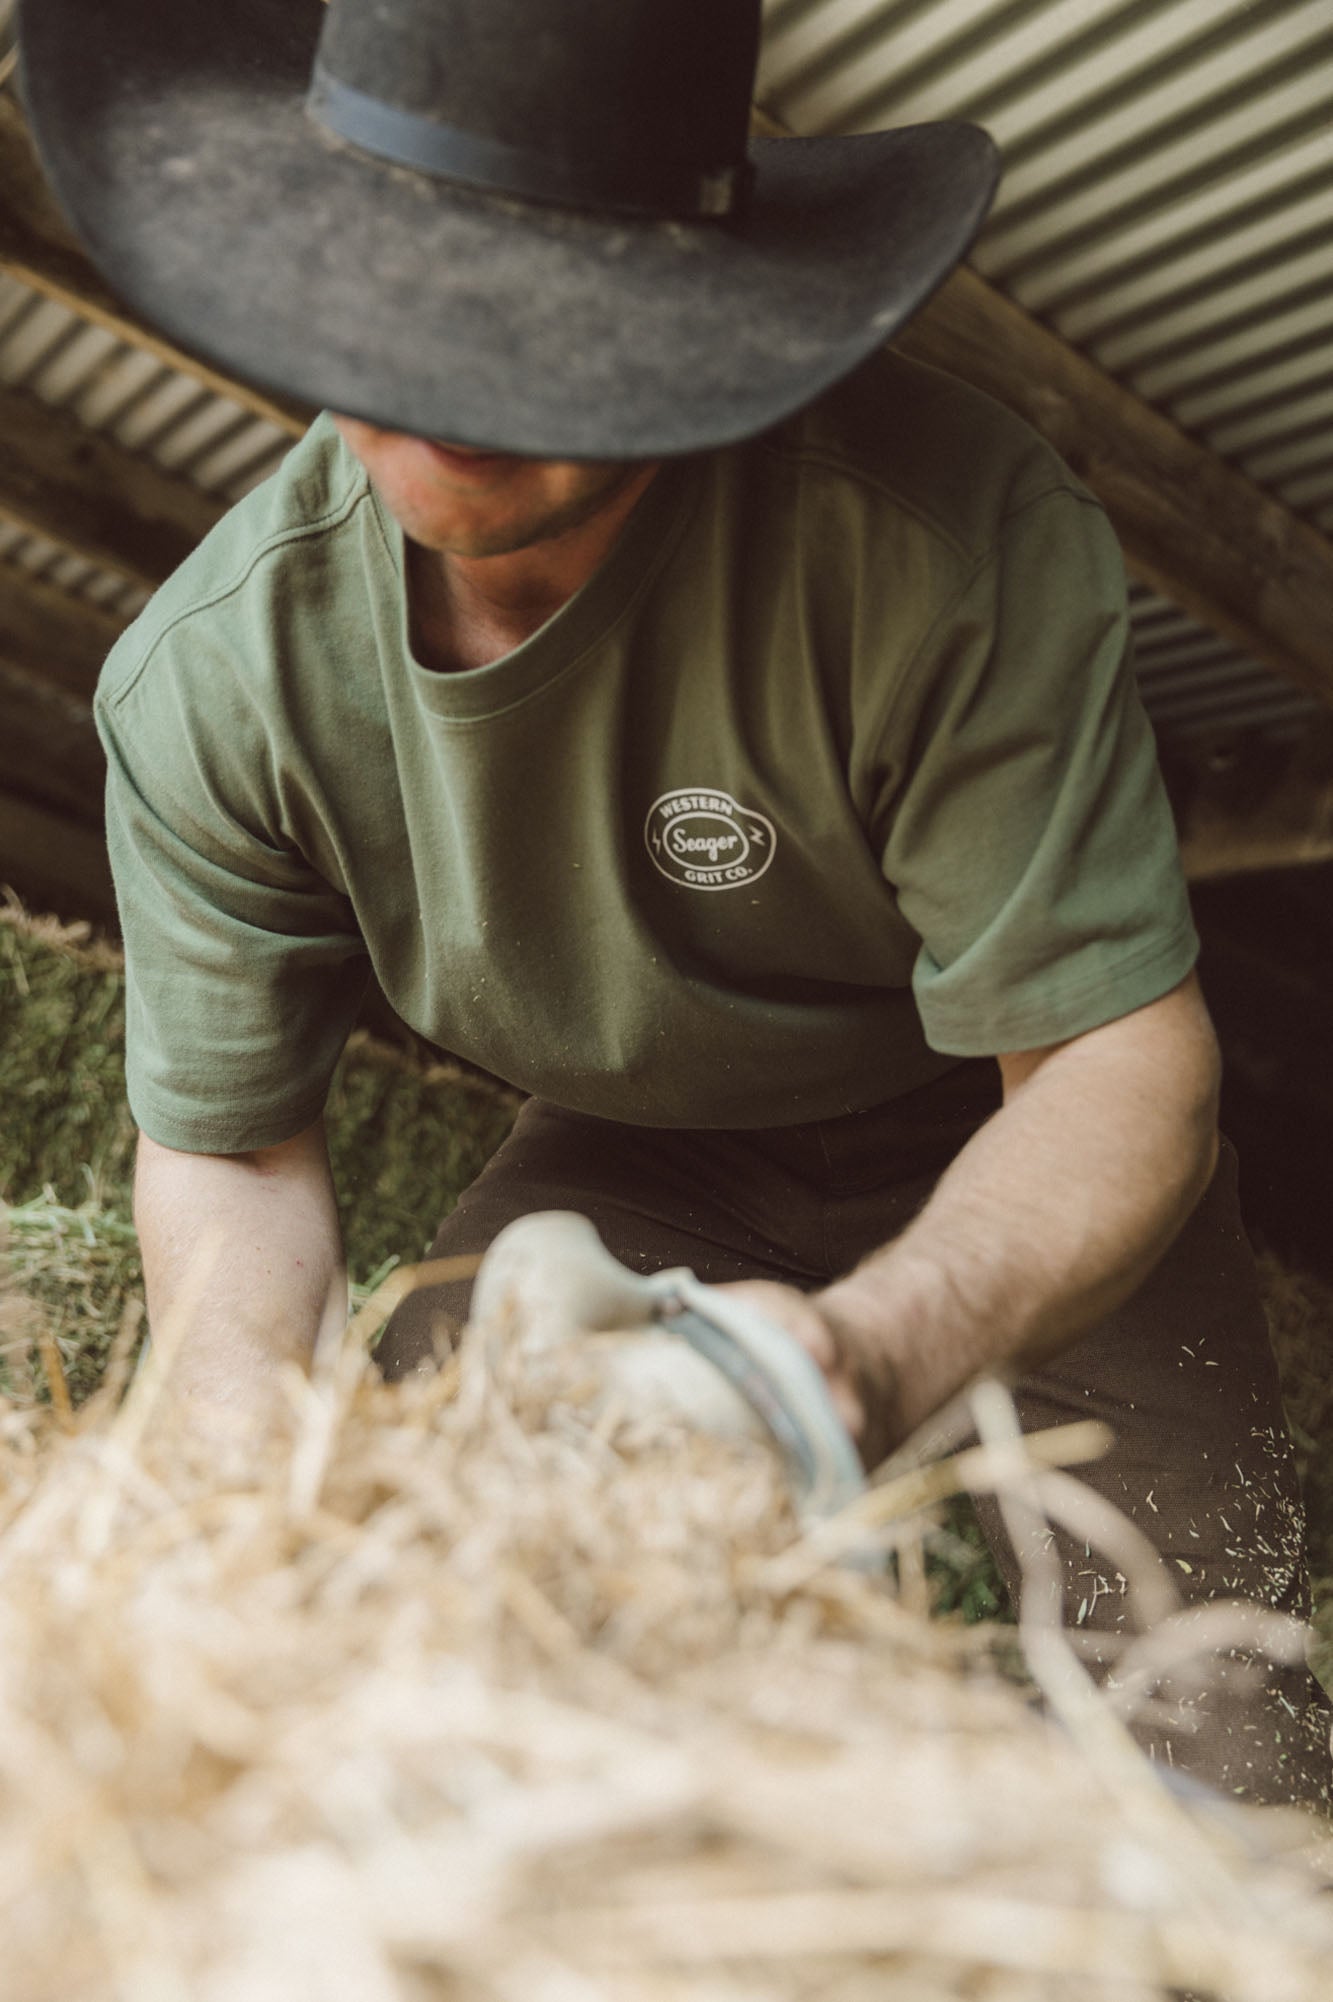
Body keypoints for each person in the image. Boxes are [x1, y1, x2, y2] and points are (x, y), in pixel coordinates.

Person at [21, 0, 1331, 1807]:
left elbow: (1116, 1059)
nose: (446, 386)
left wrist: (869, 1353)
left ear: (698, 306)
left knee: (1215, 1701)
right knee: (408, 1561)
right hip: (635, 1144)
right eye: (397, 289)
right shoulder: (209, 688)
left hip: (1004, 1114)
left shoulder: (939, 536)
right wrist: (243, 1452)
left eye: (537, 319)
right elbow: (234, 1154)